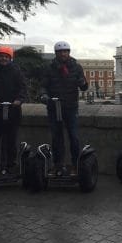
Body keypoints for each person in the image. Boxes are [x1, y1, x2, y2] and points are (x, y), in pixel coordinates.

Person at [40, 41, 88, 175]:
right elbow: (43, 85)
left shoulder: (76, 67)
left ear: (69, 52)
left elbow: (83, 86)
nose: (63, 54)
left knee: (74, 136)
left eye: (65, 51)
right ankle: (58, 164)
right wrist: (43, 95)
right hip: (54, 107)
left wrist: (83, 83)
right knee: (56, 137)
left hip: (70, 107)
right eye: (60, 52)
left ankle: (75, 164)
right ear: (56, 53)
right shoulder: (49, 68)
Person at [0, 46, 27, 173]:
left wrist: (19, 100)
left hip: (13, 111)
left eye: (6, 57)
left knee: (11, 139)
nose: (3, 58)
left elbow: (23, 88)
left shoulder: (17, 71)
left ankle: (11, 164)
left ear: (10, 58)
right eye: (1, 56)